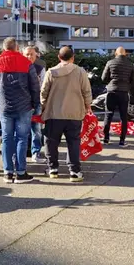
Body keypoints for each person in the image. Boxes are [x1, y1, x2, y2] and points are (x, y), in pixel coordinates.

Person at [0, 37, 40, 184]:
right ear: (17, 48)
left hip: (5, 107)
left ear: (4, 48)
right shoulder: (26, 63)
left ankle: (7, 172)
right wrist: (35, 104)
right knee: (22, 138)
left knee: (6, 138)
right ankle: (21, 172)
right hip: (24, 106)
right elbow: (34, 86)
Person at [40, 46, 92, 183]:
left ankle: (52, 169)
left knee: (51, 142)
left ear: (59, 57)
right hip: (74, 113)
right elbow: (86, 91)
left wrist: (44, 106)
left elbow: (43, 92)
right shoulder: (80, 72)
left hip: (54, 113)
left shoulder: (51, 72)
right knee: (73, 142)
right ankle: (74, 171)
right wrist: (88, 106)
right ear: (73, 57)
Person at [101, 47, 134, 147]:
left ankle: (106, 138)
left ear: (116, 53)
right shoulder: (130, 64)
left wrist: (111, 83)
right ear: (125, 54)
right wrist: (127, 86)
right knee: (124, 117)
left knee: (108, 115)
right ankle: (122, 140)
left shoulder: (110, 62)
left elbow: (103, 78)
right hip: (124, 92)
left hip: (111, 92)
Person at [23, 46, 47, 164]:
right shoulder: (19, 68)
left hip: (36, 103)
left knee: (36, 130)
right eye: (27, 54)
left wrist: (42, 103)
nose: (29, 57)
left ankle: (35, 152)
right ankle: (22, 154)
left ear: (36, 55)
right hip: (22, 104)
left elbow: (43, 86)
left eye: (32, 54)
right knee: (22, 130)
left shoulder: (40, 68)